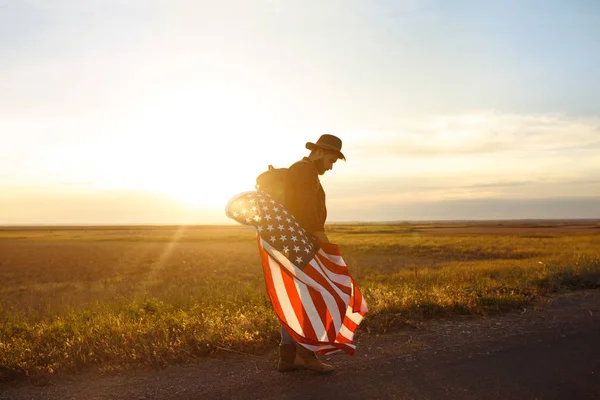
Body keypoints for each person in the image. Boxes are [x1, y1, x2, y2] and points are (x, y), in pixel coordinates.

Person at [277, 134, 346, 374]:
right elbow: (306, 208)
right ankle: (306, 356)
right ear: (317, 152)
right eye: (330, 160)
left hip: (293, 243)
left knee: (297, 297)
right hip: (303, 243)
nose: (330, 166)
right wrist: (323, 240)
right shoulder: (305, 170)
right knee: (309, 299)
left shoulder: (301, 171)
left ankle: (288, 357)